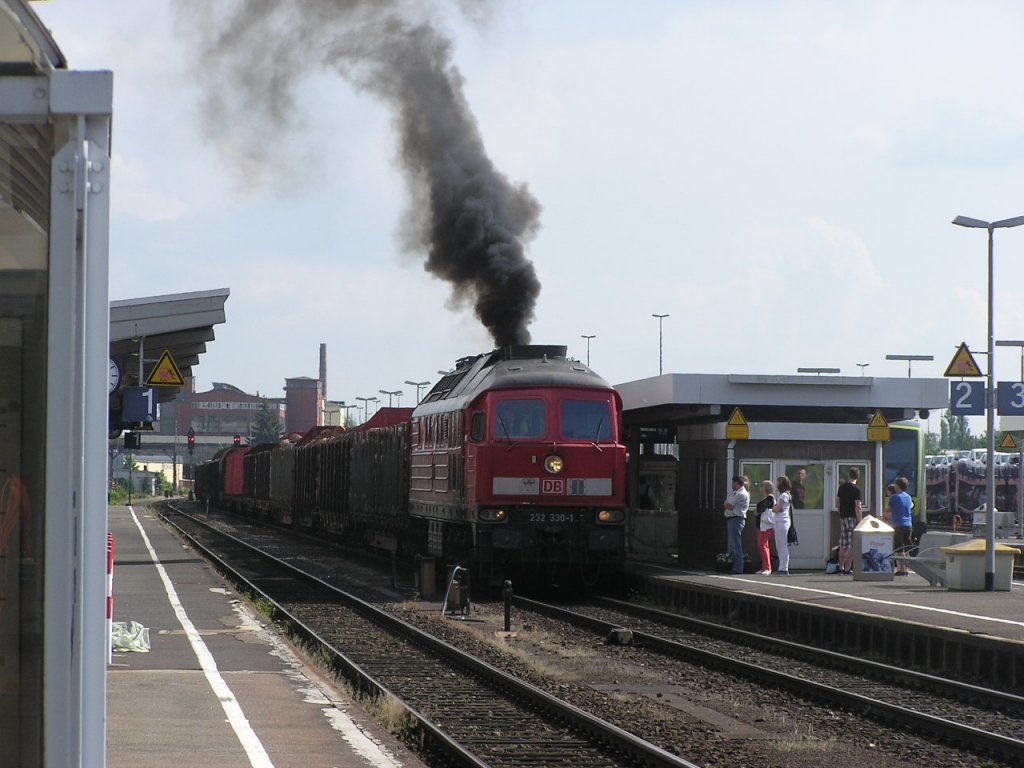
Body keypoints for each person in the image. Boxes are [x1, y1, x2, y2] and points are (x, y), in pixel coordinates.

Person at [835, 468, 863, 574]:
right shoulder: (856, 489)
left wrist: (841, 511)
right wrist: (860, 520)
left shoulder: (842, 487)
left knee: (843, 544)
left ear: (849, 475)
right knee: (852, 544)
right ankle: (847, 568)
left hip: (843, 517)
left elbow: (837, 503)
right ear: (857, 476)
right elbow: (858, 507)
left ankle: (840, 567)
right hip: (852, 518)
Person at [885, 477, 913, 575]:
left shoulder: (894, 497)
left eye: (895, 484)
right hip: (908, 524)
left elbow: (888, 510)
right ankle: (907, 569)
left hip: (898, 524)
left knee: (900, 548)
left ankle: (901, 570)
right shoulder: (909, 497)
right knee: (907, 547)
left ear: (898, 486)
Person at [723, 475, 750, 575]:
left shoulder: (741, 494)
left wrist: (729, 505)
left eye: (733, 482)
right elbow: (727, 504)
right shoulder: (735, 493)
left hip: (736, 519)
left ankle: (738, 568)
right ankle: (735, 566)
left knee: (736, 545)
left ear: (736, 483)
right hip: (732, 519)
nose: (732, 485)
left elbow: (727, 505)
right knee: (733, 545)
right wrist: (729, 505)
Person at [771, 475, 793, 575]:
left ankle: (784, 568)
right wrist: (776, 508)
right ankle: (782, 566)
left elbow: (777, 509)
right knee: (779, 545)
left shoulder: (783, 495)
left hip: (782, 521)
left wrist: (774, 508)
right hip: (780, 521)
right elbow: (778, 508)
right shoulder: (785, 495)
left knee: (782, 545)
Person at [754, 480, 776, 575]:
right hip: (761, 525)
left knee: (762, 545)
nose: (760, 488)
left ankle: (767, 567)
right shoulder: (766, 498)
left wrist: (757, 510)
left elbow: (759, 509)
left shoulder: (770, 498)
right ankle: (764, 567)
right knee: (763, 545)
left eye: (762, 486)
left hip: (766, 526)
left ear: (766, 488)